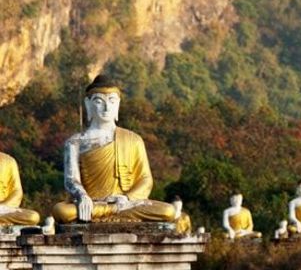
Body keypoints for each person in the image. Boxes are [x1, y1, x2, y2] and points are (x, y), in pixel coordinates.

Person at [53, 75, 176, 223]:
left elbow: (145, 179)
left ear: (118, 105)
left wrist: (127, 198)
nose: (106, 107)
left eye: (111, 101)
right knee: (61, 211)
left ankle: (107, 213)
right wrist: (83, 196)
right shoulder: (75, 142)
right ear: (88, 104)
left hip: (126, 204)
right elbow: (71, 181)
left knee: (168, 211)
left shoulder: (133, 139)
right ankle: (107, 212)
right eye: (99, 101)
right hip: (92, 203)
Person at [0, 152, 40, 227]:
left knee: (33, 217)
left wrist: (4, 207)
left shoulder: (9, 161)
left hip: (3, 210)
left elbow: (17, 191)